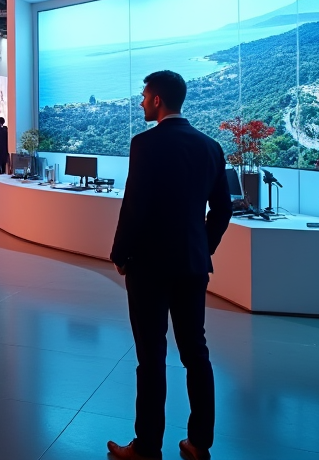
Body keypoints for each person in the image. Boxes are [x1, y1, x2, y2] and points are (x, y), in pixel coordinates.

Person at [107, 71, 232, 460]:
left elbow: (135, 207)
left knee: (151, 356)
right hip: (192, 265)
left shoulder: (145, 144)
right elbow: (223, 209)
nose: (142, 102)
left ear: (158, 100)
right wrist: (201, 248)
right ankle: (199, 443)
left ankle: (146, 447)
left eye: (144, 96)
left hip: (148, 266)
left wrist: (120, 255)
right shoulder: (210, 146)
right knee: (196, 353)